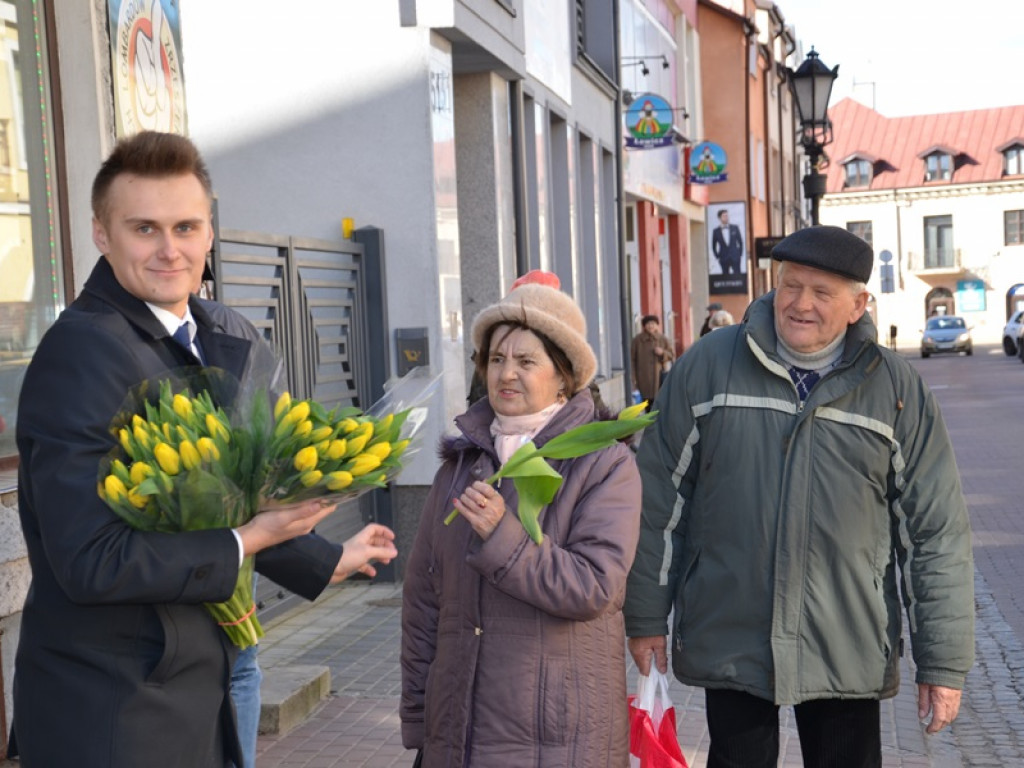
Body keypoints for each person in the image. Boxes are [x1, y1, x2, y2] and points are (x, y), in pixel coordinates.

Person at [10, 131, 398, 768]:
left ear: (210, 231)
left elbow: (235, 494)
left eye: (186, 226)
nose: (170, 250)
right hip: (116, 706)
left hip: (205, 678)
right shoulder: (80, 354)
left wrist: (321, 557)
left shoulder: (218, 332)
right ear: (102, 235)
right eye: (144, 229)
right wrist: (250, 541)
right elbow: (89, 560)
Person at [624, 225, 974, 768]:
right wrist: (646, 616)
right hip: (731, 632)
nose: (800, 304)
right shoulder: (709, 365)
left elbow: (934, 534)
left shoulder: (895, 389)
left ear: (858, 304)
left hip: (846, 641)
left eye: (821, 292)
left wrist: (942, 664)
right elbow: (659, 503)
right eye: (791, 285)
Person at [401, 283, 642, 766]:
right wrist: (419, 714)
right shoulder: (459, 465)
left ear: (564, 377)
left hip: (556, 734)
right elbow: (424, 599)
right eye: (495, 359)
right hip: (458, 731)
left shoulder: (603, 463)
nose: (506, 373)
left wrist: (502, 535)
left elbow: (593, 586)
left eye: (526, 361)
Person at [631, 313, 674, 405]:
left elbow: (672, 355)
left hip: (659, 378)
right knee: (645, 404)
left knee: (658, 403)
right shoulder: (637, 340)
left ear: (657, 325)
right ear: (644, 326)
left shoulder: (663, 339)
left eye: (653, 324)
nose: (651, 326)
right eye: (648, 324)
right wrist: (633, 378)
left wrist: (663, 352)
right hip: (642, 378)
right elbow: (632, 360)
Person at [712, 208, 743, 275]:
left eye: (727, 216)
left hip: (735, 256)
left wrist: (739, 254)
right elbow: (713, 245)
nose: (726, 217)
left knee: (737, 275)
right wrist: (717, 256)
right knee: (725, 276)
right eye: (724, 216)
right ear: (720, 218)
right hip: (723, 257)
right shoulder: (716, 231)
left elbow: (740, 242)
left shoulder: (735, 228)